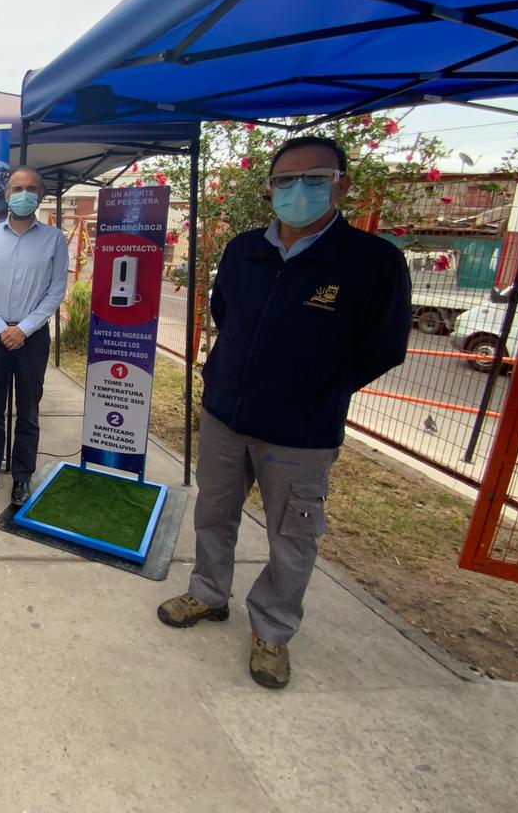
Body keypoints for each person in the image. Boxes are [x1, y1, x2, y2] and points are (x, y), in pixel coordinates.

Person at [157, 135, 411, 690]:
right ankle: (208, 594)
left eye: (313, 179)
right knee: (214, 514)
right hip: (226, 416)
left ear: (341, 185)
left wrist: (315, 391)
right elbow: (226, 314)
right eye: (285, 181)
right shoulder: (244, 249)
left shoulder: (372, 262)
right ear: (270, 188)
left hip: (301, 434)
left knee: (292, 537)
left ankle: (272, 630)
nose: (298, 191)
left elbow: (384, 347)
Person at [0, 167, 69, 505]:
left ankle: (22, 478)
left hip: (32, 337)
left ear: (40, 195)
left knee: (28, 412)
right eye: (17, 188)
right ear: (7, 195)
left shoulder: (54, 239)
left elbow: (56, 291)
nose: (23, 194)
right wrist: (1, 328)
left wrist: (22, 329)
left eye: (31, 188)